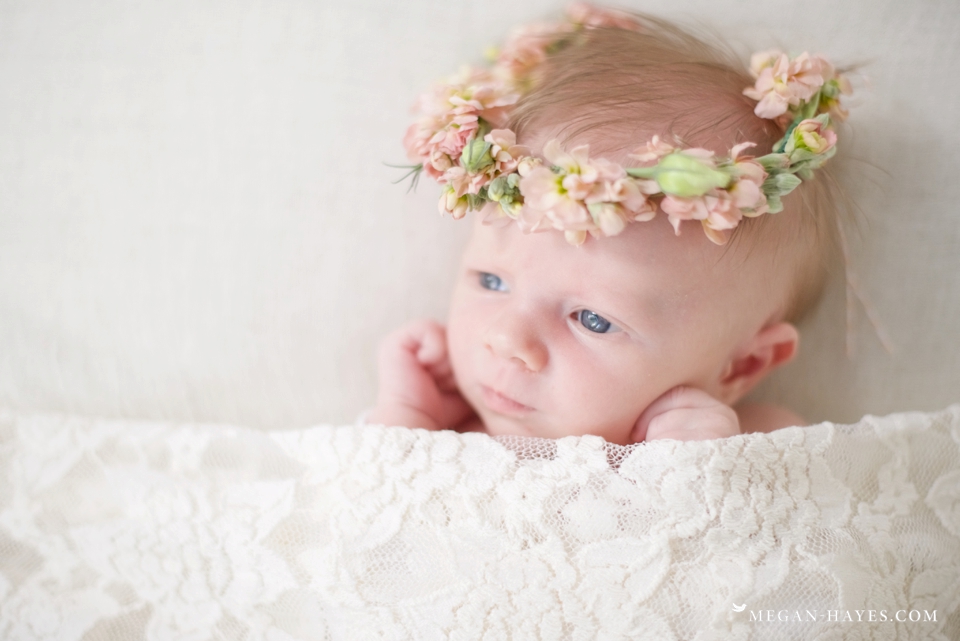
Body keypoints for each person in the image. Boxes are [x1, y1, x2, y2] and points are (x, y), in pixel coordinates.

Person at [367, 3, 850, 445]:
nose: (507, 339)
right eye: (491, 281)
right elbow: (374, 504)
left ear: (740, 367)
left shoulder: (752, 439)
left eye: (593, 321)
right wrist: (407, 416)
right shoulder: (446, 436)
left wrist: (695, 470)